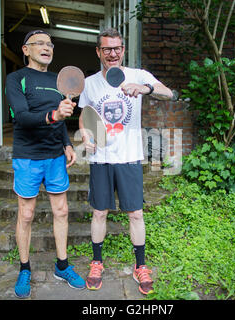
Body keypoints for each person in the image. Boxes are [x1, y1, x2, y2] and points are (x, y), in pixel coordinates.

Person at [78, 28, 174, 295]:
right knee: (99, 212)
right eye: (107, 49)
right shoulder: (90, 83)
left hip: (130, 157)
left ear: (123, 50)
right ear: (98, 52)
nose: (113, 53)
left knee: (136, 213)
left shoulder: (138, 75)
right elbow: (84, 116)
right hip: (101, 157)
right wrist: (86, 136)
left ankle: (140, 266)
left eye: (117, 48)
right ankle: (97, 262)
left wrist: (145, 88)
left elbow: (170, 93)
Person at [5, 30, 85, 298]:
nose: (46, 47)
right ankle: (25, 268)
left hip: (54, 156)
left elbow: (61, 118)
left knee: (61, 211)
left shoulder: (57, 80)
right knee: (26, 214)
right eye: (40, 43)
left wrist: (67, 144)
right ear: (26, 50)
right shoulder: (16, 79)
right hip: (27, 155)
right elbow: (23, 118)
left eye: (50, 44)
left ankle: (62, 265)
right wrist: (53, 115)